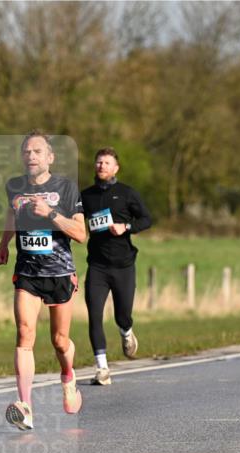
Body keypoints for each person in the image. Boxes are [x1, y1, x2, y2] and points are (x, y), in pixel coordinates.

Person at [0, 132, 87, 430]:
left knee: (60, 342)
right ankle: (25, 407)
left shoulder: (66, 188)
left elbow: (81, 234)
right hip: (28, 273)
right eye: (26, 151)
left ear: (50, 157)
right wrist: (4, 244)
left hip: (59, 273)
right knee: (24, 335)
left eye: (37, 151)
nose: (30, 155)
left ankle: (68, 376)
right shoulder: (14, 187)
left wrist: (51, 214)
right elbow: (11, 215)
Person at [80, 148, 154, 385]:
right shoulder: (86, 196)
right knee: (94, 316)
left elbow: (147, 219)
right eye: (98, 162)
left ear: (115, 168)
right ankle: (102, 368)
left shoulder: (126, 193)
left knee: (122, 315)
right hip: (97, 266)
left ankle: (126, 331)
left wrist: (127, 227)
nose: (101, 166)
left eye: (106, 162)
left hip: (123, 265)